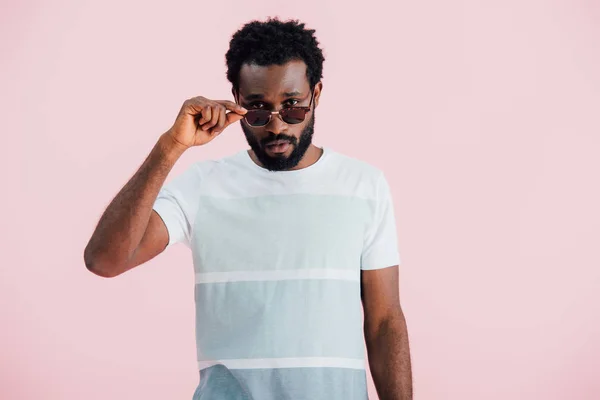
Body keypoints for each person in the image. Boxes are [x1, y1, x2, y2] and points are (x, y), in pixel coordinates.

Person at [84, 17, 412, 400]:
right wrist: (172, 145)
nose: (276, 127)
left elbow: (384, 320)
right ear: (237, 100)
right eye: (258, 109)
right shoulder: (203, 186)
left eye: (292, 107)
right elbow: (104, 260)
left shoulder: (364, 185)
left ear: (316, 94)